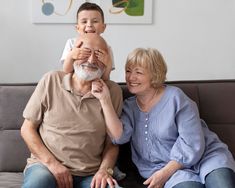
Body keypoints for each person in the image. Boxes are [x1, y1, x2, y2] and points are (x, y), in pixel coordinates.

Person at [91, 48, 235, 188]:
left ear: (154, 74)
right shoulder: (129, 106)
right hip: (169, 170)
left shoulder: (175, 97)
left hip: (206, 157)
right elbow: (119, 137)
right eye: (128, 71)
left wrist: (164, 174)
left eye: (138, 72)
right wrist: (105, 99)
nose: (131, 77)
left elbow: (192, 143)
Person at [21, 33, 123, 188]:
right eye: (86, 52)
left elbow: (113, 143)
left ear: (107, 61)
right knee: (38, 183)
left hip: (90, 174)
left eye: (99, 55)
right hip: (46, 167)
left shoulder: (112, 91)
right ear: (74, 54)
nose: (91, 60)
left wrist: (104, 170)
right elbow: (27, 129)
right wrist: (53, 165)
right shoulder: (51, 80)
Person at [61, 2, 114, 81]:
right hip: (74, 84)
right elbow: (66, 70)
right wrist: (72, 55)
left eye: (95, 21)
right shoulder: (72, 43)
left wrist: (108, 64)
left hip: (95, 86)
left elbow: (105, 78)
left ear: (103, 27)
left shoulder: (106, 47)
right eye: (84, 22)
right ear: (77, 28)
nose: (89, 25)